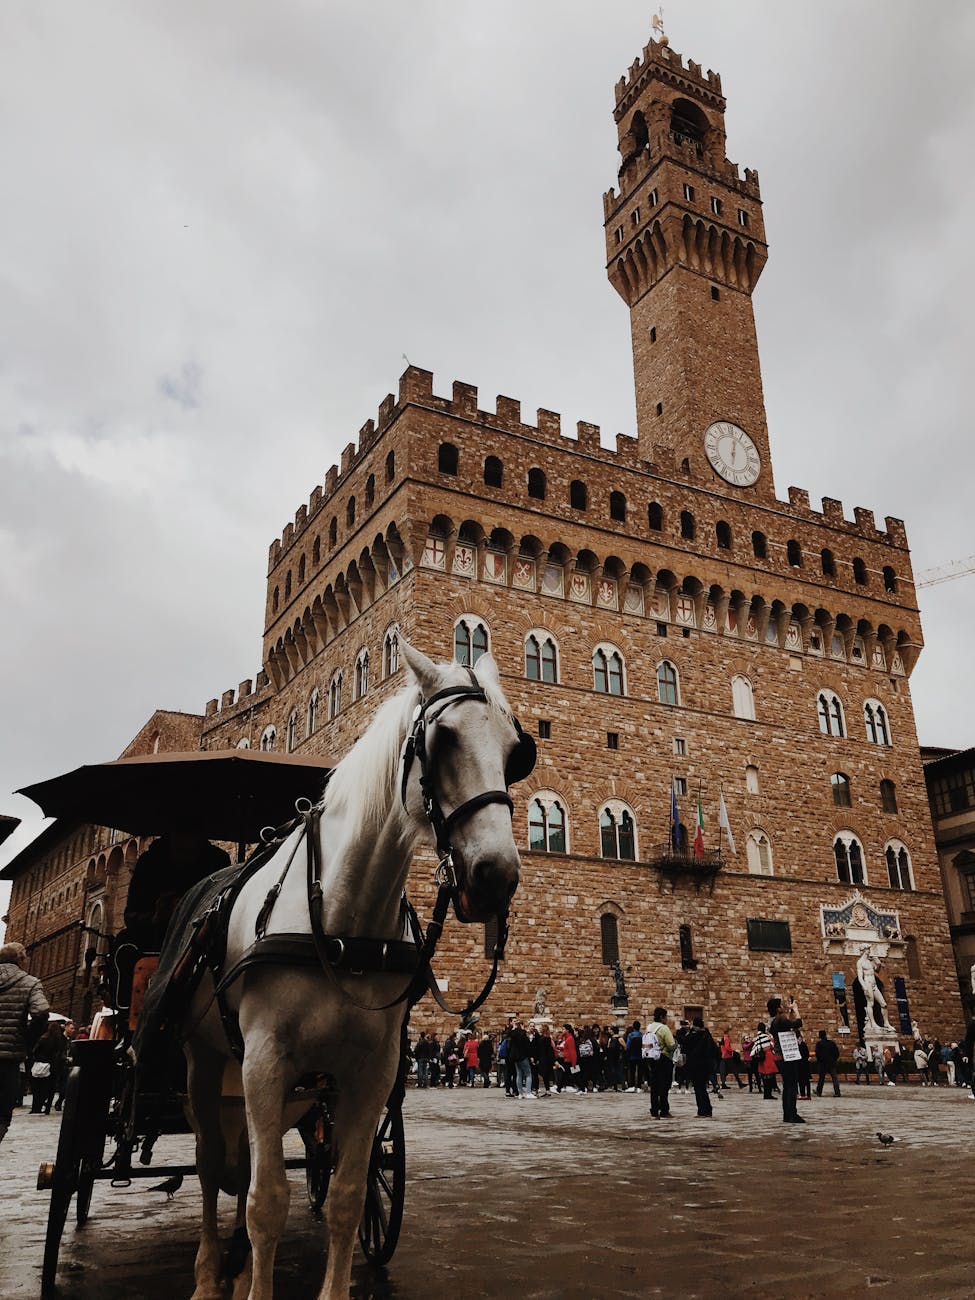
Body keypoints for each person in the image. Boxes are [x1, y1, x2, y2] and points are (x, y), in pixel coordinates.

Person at [123, 833, 232, 951]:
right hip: (153, 942)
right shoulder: (149, 862)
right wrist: (155, 918)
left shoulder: (217, 860)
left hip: (203, 942)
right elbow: (131, 916)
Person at [0, 941, 50, 1144]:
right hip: (8, 1060)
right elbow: (41, 1012)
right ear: (20, 960)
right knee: (2, 1114)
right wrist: (27, 1039)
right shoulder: (29, 983)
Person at [768, 995, 805, 1124]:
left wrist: (789, 1012)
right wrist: (796, 1009)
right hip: (786, 1056)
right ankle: (792, 1114)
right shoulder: (780, 1020)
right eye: (781, 1005)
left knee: (787, 1085)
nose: (783, 1006)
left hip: (780, 1056)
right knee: (792, 1085)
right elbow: (798, 1023)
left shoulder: (775, 1021)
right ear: (778, 1009)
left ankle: (787, 1114)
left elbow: (787, 1025)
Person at [643, 1007, 677, 1119]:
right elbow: (671, 1045)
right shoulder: (664, 1028)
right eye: (665, 1016)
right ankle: (664, 1110)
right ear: (662, 1017)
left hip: (651, 1058)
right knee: (664, 1085)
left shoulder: (649, 1027)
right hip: (664, 1058)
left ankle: (654, 1109)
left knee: (655, 1085)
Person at [30, 1021, 67, 1115]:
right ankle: (48, 1107)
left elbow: (35, 1051)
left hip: (42, 1064)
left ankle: (37, 1106)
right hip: (54, 1066)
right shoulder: (59, 1039)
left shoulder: (44, 1038)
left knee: (40, 1087)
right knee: (51, 1088)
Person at [684, 1017, 718, 1117]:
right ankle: (708, 1109)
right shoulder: (707, 1034)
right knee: (702, 1087)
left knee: (698, 1088)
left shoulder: (695, 1035)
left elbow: (685, 1042)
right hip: (706, 1065)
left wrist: (688, 1031)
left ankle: (702, 1110)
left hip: (696, 1065)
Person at [751, 1021, 777, 1100]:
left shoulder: (758, 1037)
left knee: (765, 1078)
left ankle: (766, 1094)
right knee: (769, 1077)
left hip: (761, 1060)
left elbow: (756, 1047)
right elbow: (770, 1045)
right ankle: (768, 1094)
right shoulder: (765, 1036)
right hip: (767, 1058)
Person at [814, 1029, 841, 1097]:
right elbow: (837, 1053)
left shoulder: (819, 1044)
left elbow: (817, 1054)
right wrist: (834, 1059)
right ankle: (837, 1092)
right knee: (834, 1078)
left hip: (823, 1064)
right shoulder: (831, 1043)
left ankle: (819, 1092)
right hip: (832, 1063)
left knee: (821, 1079)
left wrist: (820, 1061)